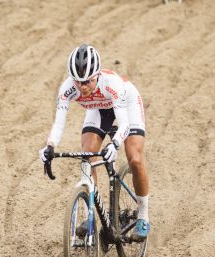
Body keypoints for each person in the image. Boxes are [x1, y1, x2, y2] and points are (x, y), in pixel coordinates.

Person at [39, 44, 151, 241]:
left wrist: (115, 144)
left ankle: (143, 215)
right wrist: (49, 147)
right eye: (78, 82)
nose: (82, 87)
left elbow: (123, 124)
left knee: (134, 158)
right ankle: (90, 212)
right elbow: (58, 123)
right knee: (87, 153)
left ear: (97, 75)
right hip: (98, 110)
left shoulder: (112, 84)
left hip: (127, 106)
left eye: (87, 82)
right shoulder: (67, 89)